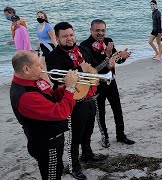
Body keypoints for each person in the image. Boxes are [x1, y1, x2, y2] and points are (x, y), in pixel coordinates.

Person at [46, 22, 106, 180]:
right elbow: (57, 77)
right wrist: (81, 70)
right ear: (57, 38)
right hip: (72, 101)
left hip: (90, 97)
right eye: (64, 36)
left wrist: (109, 62)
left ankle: (87, 154)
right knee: (74, 137)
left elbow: (93, 68)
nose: (69, 38)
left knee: (88, 130)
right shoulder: (53, 56)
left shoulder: (83, 49)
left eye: (71, 35)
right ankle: (74, 166)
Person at [10, 50, 78, 180]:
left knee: (57, 170)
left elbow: (51, 97)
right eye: (38, 65)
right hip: (46, 143)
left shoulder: (33, 80)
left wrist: (65, 87)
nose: (42, 67)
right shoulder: (25, 96)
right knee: (52, 176)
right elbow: (61, 112)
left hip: (52, 137)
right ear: (26, 69)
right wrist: (70, 88)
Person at [80, 19, 135, 148]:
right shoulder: (84, 46)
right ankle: (104, 137)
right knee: (101, 113)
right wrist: (109, 58)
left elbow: (117, 61)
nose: (100, 33)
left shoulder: (108, 41)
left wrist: (122, 57)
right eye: (97, 30)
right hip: (96, 84)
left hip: (110, 81)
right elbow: (93, 70)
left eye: (103, 30)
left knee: (117, 109)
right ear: (91, 30)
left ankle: (121, 135)